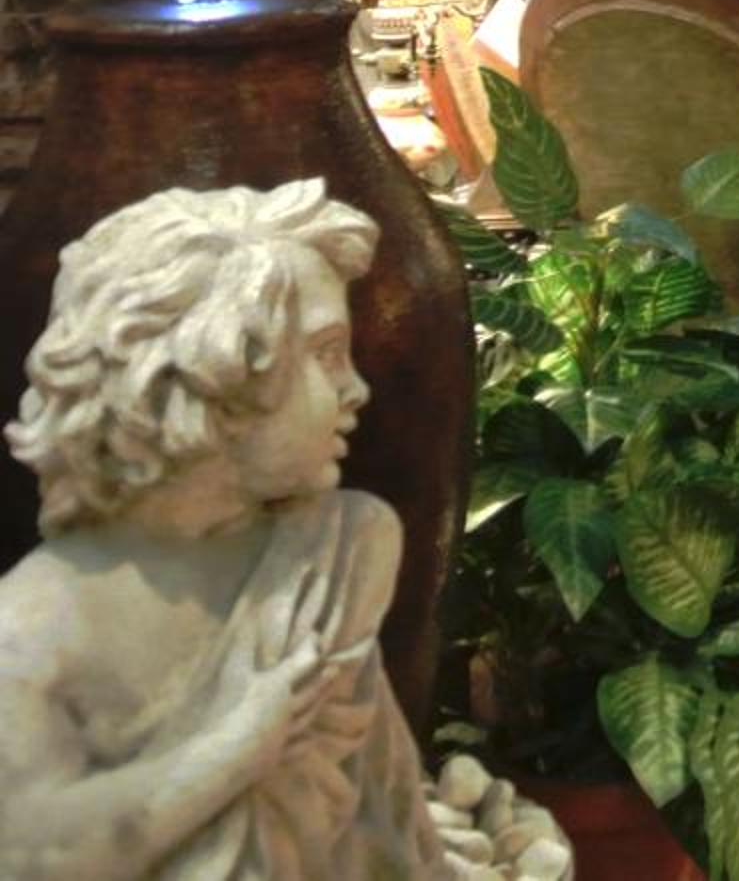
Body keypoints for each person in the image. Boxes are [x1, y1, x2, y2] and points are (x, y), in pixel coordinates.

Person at [0, 181, 447, 879]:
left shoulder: (338, 551)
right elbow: (23, 854)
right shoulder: (35, 628)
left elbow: (380, 821)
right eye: (327, 353)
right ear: (213, 374)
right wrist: (236, 749)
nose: (356, 388)